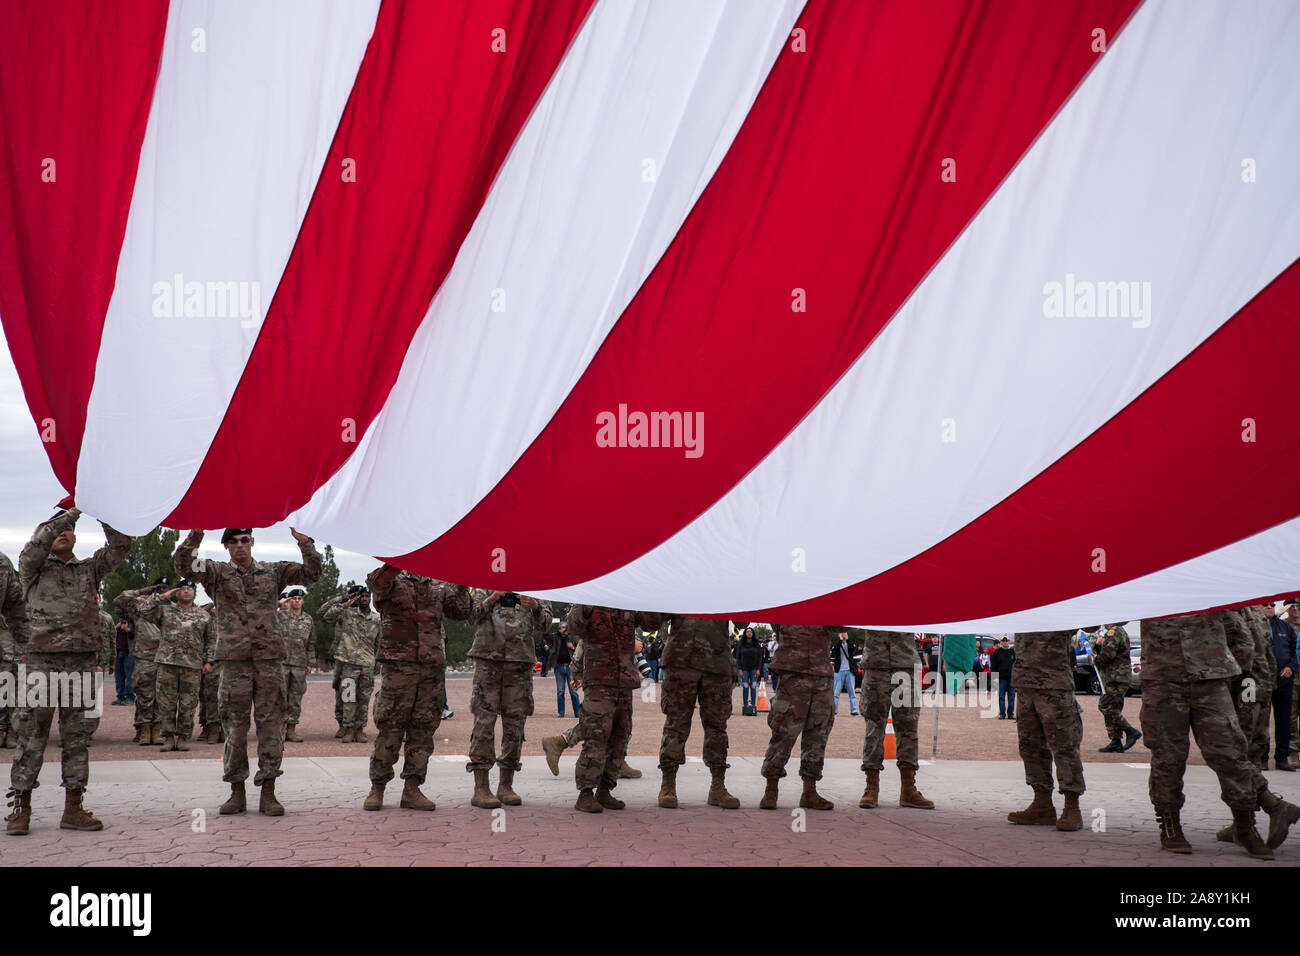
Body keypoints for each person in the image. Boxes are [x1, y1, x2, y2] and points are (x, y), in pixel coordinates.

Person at [175, 526, 321, 816]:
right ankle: (236, 791)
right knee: (234, 729)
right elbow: (183, 566)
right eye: (233, 542)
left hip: (269, 661)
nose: (240, 545)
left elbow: (311, 573)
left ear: (252, 542)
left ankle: (269, 791)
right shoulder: (215, 572)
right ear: (227, 546)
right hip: (234, 661)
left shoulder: (273, 571)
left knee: (271, 727)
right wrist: (195, 535)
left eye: (244, 540)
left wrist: (305, 542)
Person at [6, 507, 130, 836]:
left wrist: (101, 509)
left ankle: (73, 807)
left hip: (82, 663)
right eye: (59, 529)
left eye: (70, 530)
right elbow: (38, 541)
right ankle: (21, 807)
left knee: (77, 739)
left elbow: (121, 547)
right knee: (31, 737)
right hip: (42, 662)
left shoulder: (89, 569)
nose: (64, 533)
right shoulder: (32, 566)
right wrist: (70, 513)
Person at [1140, 610, 1274, 857]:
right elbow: (1106, 613)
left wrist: (1240, 679)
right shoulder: (1147, 585)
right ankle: (1170, 827)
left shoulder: (1207, 581)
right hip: (1163, 679)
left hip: (1212, 679)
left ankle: (1245, 827)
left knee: (1231, 752)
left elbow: (1240, 633)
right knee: (1167, 756)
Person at [363, 565, 470, 811]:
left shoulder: (439, 584)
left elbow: (462, 611)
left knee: (423, 729)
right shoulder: (391, 578)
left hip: (430, 669)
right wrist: (399, 559)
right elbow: (377, 586)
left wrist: (463, 580)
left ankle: (412, 788)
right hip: (399, 668)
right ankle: (377, 787)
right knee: (390, 727)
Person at [1211, 606, 1300, 851]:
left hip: (1243, 690)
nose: (1268, 607)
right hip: (1256, 690)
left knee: (1233, 753)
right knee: (1245, 752)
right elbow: (1268, 656)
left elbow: (1244, 649)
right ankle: (1242, 823)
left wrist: (1240, 686)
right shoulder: (1256, 615)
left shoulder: (1234, 610)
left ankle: (1265, 812)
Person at [564, 605, 661, 812]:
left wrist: (649, 595)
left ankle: (605, 790)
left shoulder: (628, 599)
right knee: (596, 736)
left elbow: (652, 622)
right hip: (599, 681)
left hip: (624, 682)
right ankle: (586, 793)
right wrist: (586, 607)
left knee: (620, 736)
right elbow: (573, 625)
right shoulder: (590, 598)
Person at [465, 590, 550, 809]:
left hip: (520, 663)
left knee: (515, 724)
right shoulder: (484, 582)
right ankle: (481, 787)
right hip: (488, 661)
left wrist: (536, 607)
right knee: (484, 723)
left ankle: (506, 785)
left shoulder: (535, 585)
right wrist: (493, 597)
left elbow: (546, 623)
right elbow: (472, 616)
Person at [655, 616, 740, 810]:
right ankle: (668, 784)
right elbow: (653, 620)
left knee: (717, 727)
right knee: (676, 725)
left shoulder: (727, 587)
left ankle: (717, 786)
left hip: (716, 664)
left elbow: (742, 621)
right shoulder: (676, 586)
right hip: (681, 662)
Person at [1006, 630, 1084, 831]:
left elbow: (1094, 621)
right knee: (1030, 746)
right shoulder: (1021, 604)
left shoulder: (1059, 603)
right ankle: (1042, 804)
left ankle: (1072, 806)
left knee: (1064, 746)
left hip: (1054, 685)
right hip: (1025, 684)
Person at [125, 580, 213, 751]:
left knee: (188, 704)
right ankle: (168, 738)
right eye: (182, 589)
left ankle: (182, 737)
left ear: (194, 593)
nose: (186, 591)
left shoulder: (203, 615)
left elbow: (210, 640)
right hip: (167, 664)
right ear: (176, 592)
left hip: (192, 665)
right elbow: (143, 610)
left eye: (190, 589)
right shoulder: (165, 610)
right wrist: (162, 596)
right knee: (166, 704)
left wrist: (209, 661)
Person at [760, 624, 837, 811]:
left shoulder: (825, 598)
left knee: (818, 735)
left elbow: (842, 624)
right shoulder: (789, 597)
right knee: (784, 733)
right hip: (792, 673)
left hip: (821, 674)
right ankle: (771, 789)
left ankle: (809, 791)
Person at [859, 629, 934, 810]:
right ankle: (871, 787)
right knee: (874, 727)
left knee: (908, 728)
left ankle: (908, 789)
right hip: (876, 665)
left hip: (905, 665)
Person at [320, 585, 380, 743]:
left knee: (364, 698)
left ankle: (360, 729)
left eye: (367, 596)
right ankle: (348, 728)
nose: (364, 599)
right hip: (349, 663)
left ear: (370, 598)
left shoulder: (376, 619)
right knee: (348, 697)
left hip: (367, 664)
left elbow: (379, 643)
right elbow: (324, 615)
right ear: (357, 598)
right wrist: (344, 601)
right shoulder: (347, 613)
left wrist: (378, 662)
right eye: (361, 596)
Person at [115, 578, 168, 745]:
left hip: (164, 658)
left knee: (162, 696)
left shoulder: (170, 610)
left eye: (163, 590)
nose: (159, 593)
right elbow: (119, 600)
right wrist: (142, 591)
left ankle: (157, 729)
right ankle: (144, 729)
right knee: (145, 695)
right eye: (157, 589)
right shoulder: (137, 610)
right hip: (144, 658)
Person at [1092, 623, 1141, 753]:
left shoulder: (1114, 632)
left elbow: (1109, 654)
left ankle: (1131, 731)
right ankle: (1115, 741)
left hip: (1115, 677)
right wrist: (1097, 647)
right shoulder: (1114, 632)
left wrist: (1096, 660)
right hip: (1116, 677)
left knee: (1105, 706)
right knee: (1114, 708)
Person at [1262, 601, 1297, 770]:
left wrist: (1291, 666)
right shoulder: (1254, 626)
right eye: (1265, 604)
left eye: (1272, 605)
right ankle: (1261, 758)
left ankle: (1282, 758)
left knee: (1284, 720)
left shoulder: (1285, 627)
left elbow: (1295, 651)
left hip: (1284, 680)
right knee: (1261, 720)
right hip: (1260, 680)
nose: (1269, 607)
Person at [277, 586, 314, 743]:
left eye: (299, 599)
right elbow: (264, 614)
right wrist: (279, 603)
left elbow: (311, 643)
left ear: (303, 601)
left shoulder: (308, 619)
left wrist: (310, 662)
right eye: (294, 598)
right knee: (279, 697)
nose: (297, 601)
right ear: (289, 601)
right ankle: (280, 729)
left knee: (295, 698)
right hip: (282, 663)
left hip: (299, 664)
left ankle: (291, 730)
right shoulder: (281, 616)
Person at [0, 550, 29, 749]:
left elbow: (16, 608)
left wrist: (26, 643)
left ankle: (9, 730)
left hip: (10, 642)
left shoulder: (2, 563)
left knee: (11, 683)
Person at [197, 601, 223, 743]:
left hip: (230, 660)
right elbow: (199, 611)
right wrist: (214, 601)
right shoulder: (208, 614)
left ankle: (225, 729)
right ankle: (211, 728)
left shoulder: (236, 613)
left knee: (230, 697)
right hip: (211, 661)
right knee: (209, 696)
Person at [548, 621, 581, 717]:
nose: (564, 629)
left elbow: (580, 652)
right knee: (560, 691)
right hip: (559, 667)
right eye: (562, 627)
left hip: (570, 667)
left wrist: (573, 647)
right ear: (559, 629)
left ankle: (577, 712)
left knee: (573, 691)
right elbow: (546, 636)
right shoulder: (555, 637)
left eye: (566, 627)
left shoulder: (573, 637)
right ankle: (561, 712)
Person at [830, 630, 860, 717]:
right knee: (836, 693)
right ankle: (834, 711)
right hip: (839, 671)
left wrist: (847, 640)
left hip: (849, 671)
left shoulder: (850, 644)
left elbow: (853, 649)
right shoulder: (837, 645)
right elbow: (835, 651)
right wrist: (840, 640)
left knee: (852, 693)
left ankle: (853, 710)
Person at [734, 627, 763, 713]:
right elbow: (738, 658)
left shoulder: (756, 644)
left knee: (753, 687)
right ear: (745, 633)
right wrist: (739, 669)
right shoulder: (741, 644)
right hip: (744, 669)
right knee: (745, 687)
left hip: (754, 669)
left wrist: (758, 669)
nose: (749, 633)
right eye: (747, 632)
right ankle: (745, 705)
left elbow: (759, 657)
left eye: (751, 632)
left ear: (753, 633)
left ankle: (753, 706)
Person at [111, 618, 134, 707]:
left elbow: (133, 636)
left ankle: (130, 697)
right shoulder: (118, 626)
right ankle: (120, 697)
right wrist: (116, 627)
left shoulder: (132, 623)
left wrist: (127, 629)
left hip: (128, 653)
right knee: (118, 677)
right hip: (118, 652)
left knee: (129, 677)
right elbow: (111, 634)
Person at [990, 637, 1015, 719]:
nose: (1005, 642)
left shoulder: (1012, 652)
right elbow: (993, 666)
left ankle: (1010, 714)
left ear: (1009, 642)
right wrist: (994, 677)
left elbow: (1016, 664)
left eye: (1006, 641)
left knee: (1011, 697)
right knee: (1001, 696)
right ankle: (1002, 714)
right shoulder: (996, 652)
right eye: (1003, 641)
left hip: (1011, 678)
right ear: (1000, 642)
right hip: (1001, 678)